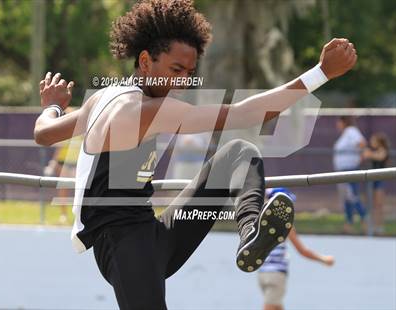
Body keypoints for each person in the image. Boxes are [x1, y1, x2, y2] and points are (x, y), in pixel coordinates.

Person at [33, 1, 357, 308]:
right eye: (176, 69)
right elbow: (245, 114)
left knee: (239, 153)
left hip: (154, 233)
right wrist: (320, 73)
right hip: (121, 244)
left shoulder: (101, 99)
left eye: (189, 71)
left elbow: (44, 133)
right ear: (145, 61)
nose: (183, 81)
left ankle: (250, 231)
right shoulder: (143, 109)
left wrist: (53, 105)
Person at [258, 188, 335, 310]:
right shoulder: (285, 225)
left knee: (277, 306)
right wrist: (324, 259)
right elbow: (302, 251)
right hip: (276, 274)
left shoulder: (259, 222)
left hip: (262, 274)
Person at [333, 115, 367, 234]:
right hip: (343, 171)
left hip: (349, 170)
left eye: (339, 122)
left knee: (353, 196)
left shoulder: (351, 131)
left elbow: (361, 143)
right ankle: (349, 224)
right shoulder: (345, 134)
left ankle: (365, 222)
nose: (337, 125)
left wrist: (360, 158)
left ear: (344, 122)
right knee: (347, 198)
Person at [362, 132, 390, 235]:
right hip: (371, 180)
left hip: (379, 180)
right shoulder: (371, 150)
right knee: (370, 204)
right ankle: (371, 227)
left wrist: (370, 154)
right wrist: (369, 153)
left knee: (379, 205)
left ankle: (380, 227)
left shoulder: (382, 150)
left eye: (374, 140)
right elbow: (365, 155)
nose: (371, 142)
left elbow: (380, 157)